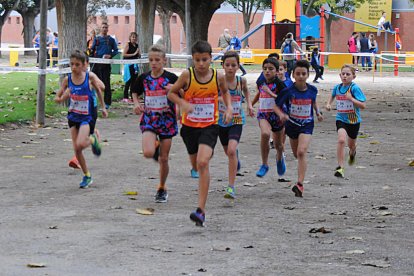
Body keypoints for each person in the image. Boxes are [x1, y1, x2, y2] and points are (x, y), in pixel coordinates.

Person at [168, 40, 233, 226]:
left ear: (211, 59)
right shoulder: (187, 76)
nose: (201, 64)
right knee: (196, 165)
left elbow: (226, 92)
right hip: (189, 128)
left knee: (203, 162)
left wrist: (228, 108)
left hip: (210, 126)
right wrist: (182, 104)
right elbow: (171, 93)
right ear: (193, 60)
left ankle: (201, 210)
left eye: (205, 59)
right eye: (197, 60)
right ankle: (200, 202)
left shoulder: (217, 77)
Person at [131, 45, 178, 203]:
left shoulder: (171, 78)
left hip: (167, 121)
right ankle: (154, 145)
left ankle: (162, 188)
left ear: (164, 60)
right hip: (149, 119)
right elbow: (134, 91)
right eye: (151, 60)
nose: (154, 63)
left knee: (164, 159)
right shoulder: (144, 78)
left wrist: (174, 90)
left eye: (157, 60)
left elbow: (185, 93)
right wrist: (136, 103)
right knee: (148, 153)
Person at [54, 50, 108, 188]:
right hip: (73, 116)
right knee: (76, 150)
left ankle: (92, 139)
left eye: (77, 64)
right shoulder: (68, 79)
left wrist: (103, 107)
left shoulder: (89, 78)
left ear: (84, 65)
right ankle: (87, 176)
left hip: (86, 116)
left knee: (80, 143)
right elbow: (60, 95)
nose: (74, 67)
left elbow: (99, 90)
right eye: (71, 64)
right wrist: (60, 98)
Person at [274, 60, 324, 197]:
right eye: (298, 74)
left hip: (307, 125)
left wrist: (318, 112)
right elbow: (276, 105)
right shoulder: (288, 91)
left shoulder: (313, 89)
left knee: (302, 152)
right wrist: (281, 115)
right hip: (292, 125)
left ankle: (300, 184)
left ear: (308, 75)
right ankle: (300, 176)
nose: (301, 76)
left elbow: (313, 101)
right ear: (293, 75)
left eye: (303, 73)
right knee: (297, 154)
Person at [219, 51, 254, 199]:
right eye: (227, 65)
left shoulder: (241, 81)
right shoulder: (218, 81)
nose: (230, 68)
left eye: (233, 65)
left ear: (238, 66)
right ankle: (235, 159)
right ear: (223, 66)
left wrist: (250, 105)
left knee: (232, 151)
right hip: (221, 121)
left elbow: (246, 91)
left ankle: (231, 187)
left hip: (237, 119)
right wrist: (226, 105)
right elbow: (214, 96)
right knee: (229, 152)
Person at [325, 65, 366, 178]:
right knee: (341, 140)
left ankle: (352, 153)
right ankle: (340, 167)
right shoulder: (337, 87)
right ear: (340, 75)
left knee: (351, 145)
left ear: (353, 76)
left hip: (353, 121)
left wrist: (351, 99)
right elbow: (332, 96)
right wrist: (328, 104)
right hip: (341, 119)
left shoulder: (354, 88)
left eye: (348, 74)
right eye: (343, 74)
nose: (345, 76)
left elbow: (363, 105)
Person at [251, 58, 287, 178]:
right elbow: (259, 93)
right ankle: (264, 164)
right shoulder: (262, 82)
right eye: (265, 69)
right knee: (265, 134)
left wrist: (271, 93)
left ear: (277, 71)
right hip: (263, 114)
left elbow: (283, 98)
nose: (267, 71)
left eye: (270, 69)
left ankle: (279, 158)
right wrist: (251, 105)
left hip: (277, 116)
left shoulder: (280, 84)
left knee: (278, 145)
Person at [90, 22, 119, 109]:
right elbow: (92, 50)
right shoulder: (97, 39)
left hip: (106, 65)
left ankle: (107, 103)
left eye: (106, 27)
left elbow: (116, 51)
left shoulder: (111, 40)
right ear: (101, 29)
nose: (104, 29)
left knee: (106, 83)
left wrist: (110, 55)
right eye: (103, 27)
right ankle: (94, 101)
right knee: (94, 83)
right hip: (97, 64)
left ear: (108, 29)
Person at [122, 32, 141, 103]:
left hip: (135, 65)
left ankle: (132, 97)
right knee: (128, 80)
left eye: (135, 37)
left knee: (134, 81)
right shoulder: (128, 44)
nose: (134, 38)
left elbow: (138, 55)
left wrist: (138, 54)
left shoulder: (137, 45)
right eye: (133, 37)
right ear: (130, 38)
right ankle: (125, 97)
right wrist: (134, 54)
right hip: (128, 64)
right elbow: (124, 54)